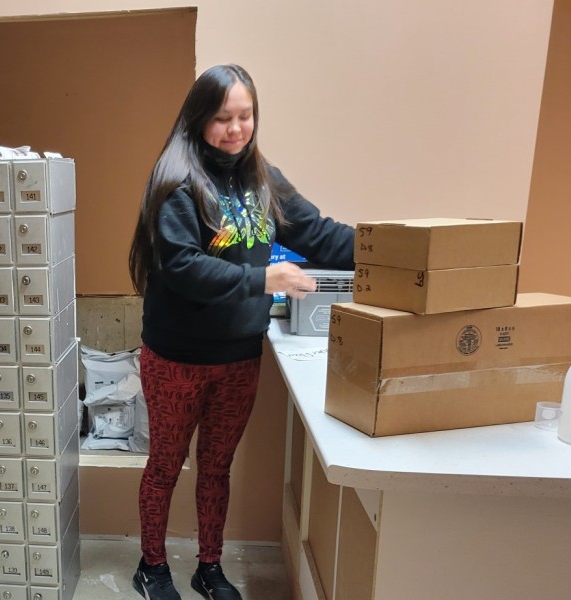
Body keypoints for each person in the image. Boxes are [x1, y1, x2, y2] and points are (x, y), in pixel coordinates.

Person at [127, 64, 356, 600]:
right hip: (177, 357)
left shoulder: (261, 177)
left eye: (245, 116)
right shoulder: (177, 181)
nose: (235, 129)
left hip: (237, 357)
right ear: (198, 118)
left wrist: (387, 250)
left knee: (217, 468)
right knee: (165, 466)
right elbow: (181, 267)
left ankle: (210, 567)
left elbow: (318, 234)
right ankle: (151, 567)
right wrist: (263, 278)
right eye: (223, 118)